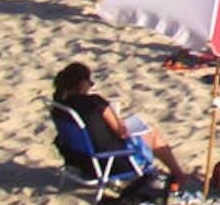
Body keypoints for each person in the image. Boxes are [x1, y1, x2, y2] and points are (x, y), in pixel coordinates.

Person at [51, 62, 189, 190]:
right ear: (81, 84)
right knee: (153, 135)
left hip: (80, 162)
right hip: (110, 162)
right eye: (89, 81)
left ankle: (177, 174)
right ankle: (179, 176)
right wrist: (119, 120)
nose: (91, 85)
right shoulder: (94, 102)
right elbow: (122, 132)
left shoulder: (58, 107)